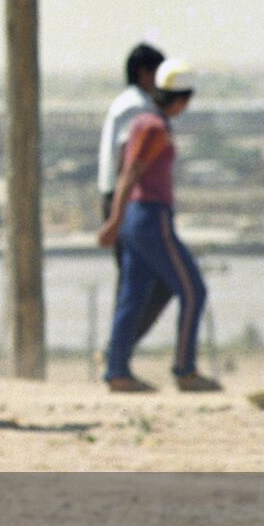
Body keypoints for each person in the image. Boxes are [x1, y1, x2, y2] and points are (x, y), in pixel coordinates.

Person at [99, 59, 219, 393]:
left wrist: (118, 219)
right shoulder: (154, 127)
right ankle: (185, 369)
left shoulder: (141, 122)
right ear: (181, 99)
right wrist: (114, 220)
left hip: (138, 218)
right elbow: (131, 173)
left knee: (132, 297)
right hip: (151, 216)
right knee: (193, 290)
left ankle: (117, 370)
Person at [97, 43, 172, 349]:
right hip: (128, 201)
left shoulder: (128, 102)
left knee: (134, 284)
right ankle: (117, 352)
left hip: (119, 199)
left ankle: (117, 357)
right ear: (145, 74)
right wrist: (120, 213)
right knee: (158, 281)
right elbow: (126, 162)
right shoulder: (137, 107)